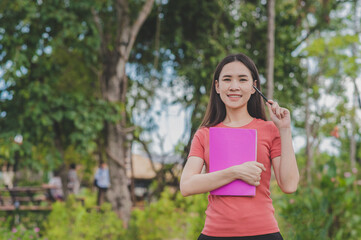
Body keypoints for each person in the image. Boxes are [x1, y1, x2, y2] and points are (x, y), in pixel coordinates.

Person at [180, 53, 299, 240]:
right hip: (215, 234)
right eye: (227, 79)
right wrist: (235, 172)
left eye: (242, 79)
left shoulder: (269, 130)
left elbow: (289, 185)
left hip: (263, 233)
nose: (234, 86)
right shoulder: (204, 133)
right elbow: (186, 185)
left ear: (254, 87)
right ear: (218, 87)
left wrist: (284, 129)